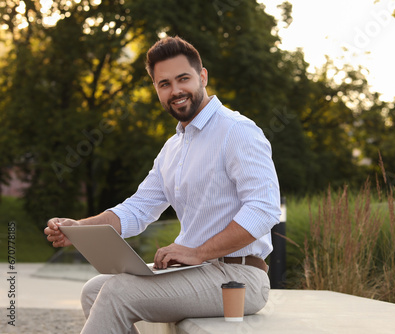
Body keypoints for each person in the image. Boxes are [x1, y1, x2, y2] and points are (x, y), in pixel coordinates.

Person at [44, 36, 281, 334]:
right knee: (94, 289)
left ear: (202, 76)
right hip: (195, 271)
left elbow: (263, 209)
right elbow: (137, 209)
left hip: (239, 278)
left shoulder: (237, 131)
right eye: (164, 84)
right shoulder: (172, 149)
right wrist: (79, 229)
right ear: (156, 89)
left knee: (119, 292)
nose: (176, 91)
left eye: (183, 79)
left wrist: (198, 252)